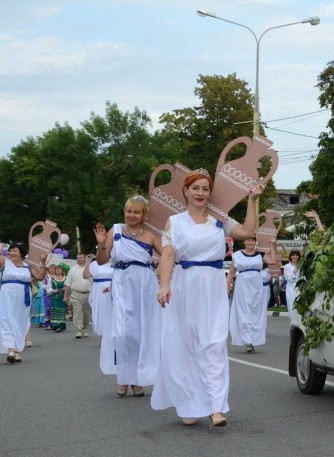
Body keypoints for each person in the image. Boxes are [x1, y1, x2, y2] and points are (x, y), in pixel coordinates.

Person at [153, 169, 266, 428]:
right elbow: (168, 254)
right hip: (184, 286)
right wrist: (165, 284)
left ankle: (215, 407)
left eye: (205, 189)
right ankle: (188, 403)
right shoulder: (175, 221)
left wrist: (251, 200)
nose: (201, 193)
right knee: (184, 345)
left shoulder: (219, 219)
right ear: (186, 191)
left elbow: (248, 232)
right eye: (196, 188)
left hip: (213, 286)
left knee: (213, 344)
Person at [94, 195, 163, 398]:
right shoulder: (115, 231)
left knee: (140, 332)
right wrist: (101, 244)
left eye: (136, 212)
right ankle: (123, 377)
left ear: (144, 215)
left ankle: (136, 379)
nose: (131, 215)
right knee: (122, 332)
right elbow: (101, 260)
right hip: (122, 283)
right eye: (129, 211)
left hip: (144, 285)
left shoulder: (151, 236)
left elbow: (169, 255)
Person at [228, 235, 278, 353]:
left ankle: (253, 339)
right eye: (248, 240)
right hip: (242, 285)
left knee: (255, 314)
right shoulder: (237, 255)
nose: (250, 242)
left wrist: (272, 246)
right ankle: (248, 342)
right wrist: (226, 286)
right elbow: (231, 272)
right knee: (243, 313)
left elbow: (273, 261)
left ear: (255, 243)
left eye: (252, 241)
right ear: (244, 242)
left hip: (256, 286)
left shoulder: (260, 255)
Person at [0, 243, 47, 363]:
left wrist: (43, 261)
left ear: (21, 253)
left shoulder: (28, 266)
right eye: (10, 251)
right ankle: (11, 350)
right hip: (7, 296)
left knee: (21, 323)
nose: (11, 253)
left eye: (14, 251)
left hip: (23, 297)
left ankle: (16, 350)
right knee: (7, 320)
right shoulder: (5, 262)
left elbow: (40, 277)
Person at [83, 254, 115, 375]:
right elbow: (85, 276)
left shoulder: (115, 262)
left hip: (112, 289)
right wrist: (87, 263)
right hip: (98, 291)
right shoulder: (94, 264)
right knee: (100, 313)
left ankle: (110, 336)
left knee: (111, 313)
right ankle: (103, 337)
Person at [64, 252, 93, 339]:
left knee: (86, 314)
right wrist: (65, 295)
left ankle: (85, 329)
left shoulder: (91, 269)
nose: (78, 259)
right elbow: (68, 284)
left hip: (88, 294)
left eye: (80, 257)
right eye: (77, 257)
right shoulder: (72, 270)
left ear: (85, 259)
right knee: (77, 312)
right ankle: (79, 330)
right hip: (76, 294)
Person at [47, 265, 69, 332]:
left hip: (62, 297)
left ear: (62, 270)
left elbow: (69, 287)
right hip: (54, 297)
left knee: (62, 311)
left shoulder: (66, 278)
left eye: (59, 269)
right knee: (55, 311)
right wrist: (54, 290)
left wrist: (66, 290)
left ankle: (61, 326)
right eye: (56, 269)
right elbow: (48, 288)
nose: (58, 270)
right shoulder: (51, 279)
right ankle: (56, 326)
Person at [283, 250, 302, 319]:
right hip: (291, 287)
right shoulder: (287, 266)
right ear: (290, 256)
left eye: (296, 255)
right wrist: (296, 269)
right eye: (293, 255)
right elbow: (288, 278)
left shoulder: (301, 265)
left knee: (300, 305)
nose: (295, 257)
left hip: (300, 287)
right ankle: (293, 322)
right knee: (292, 305)